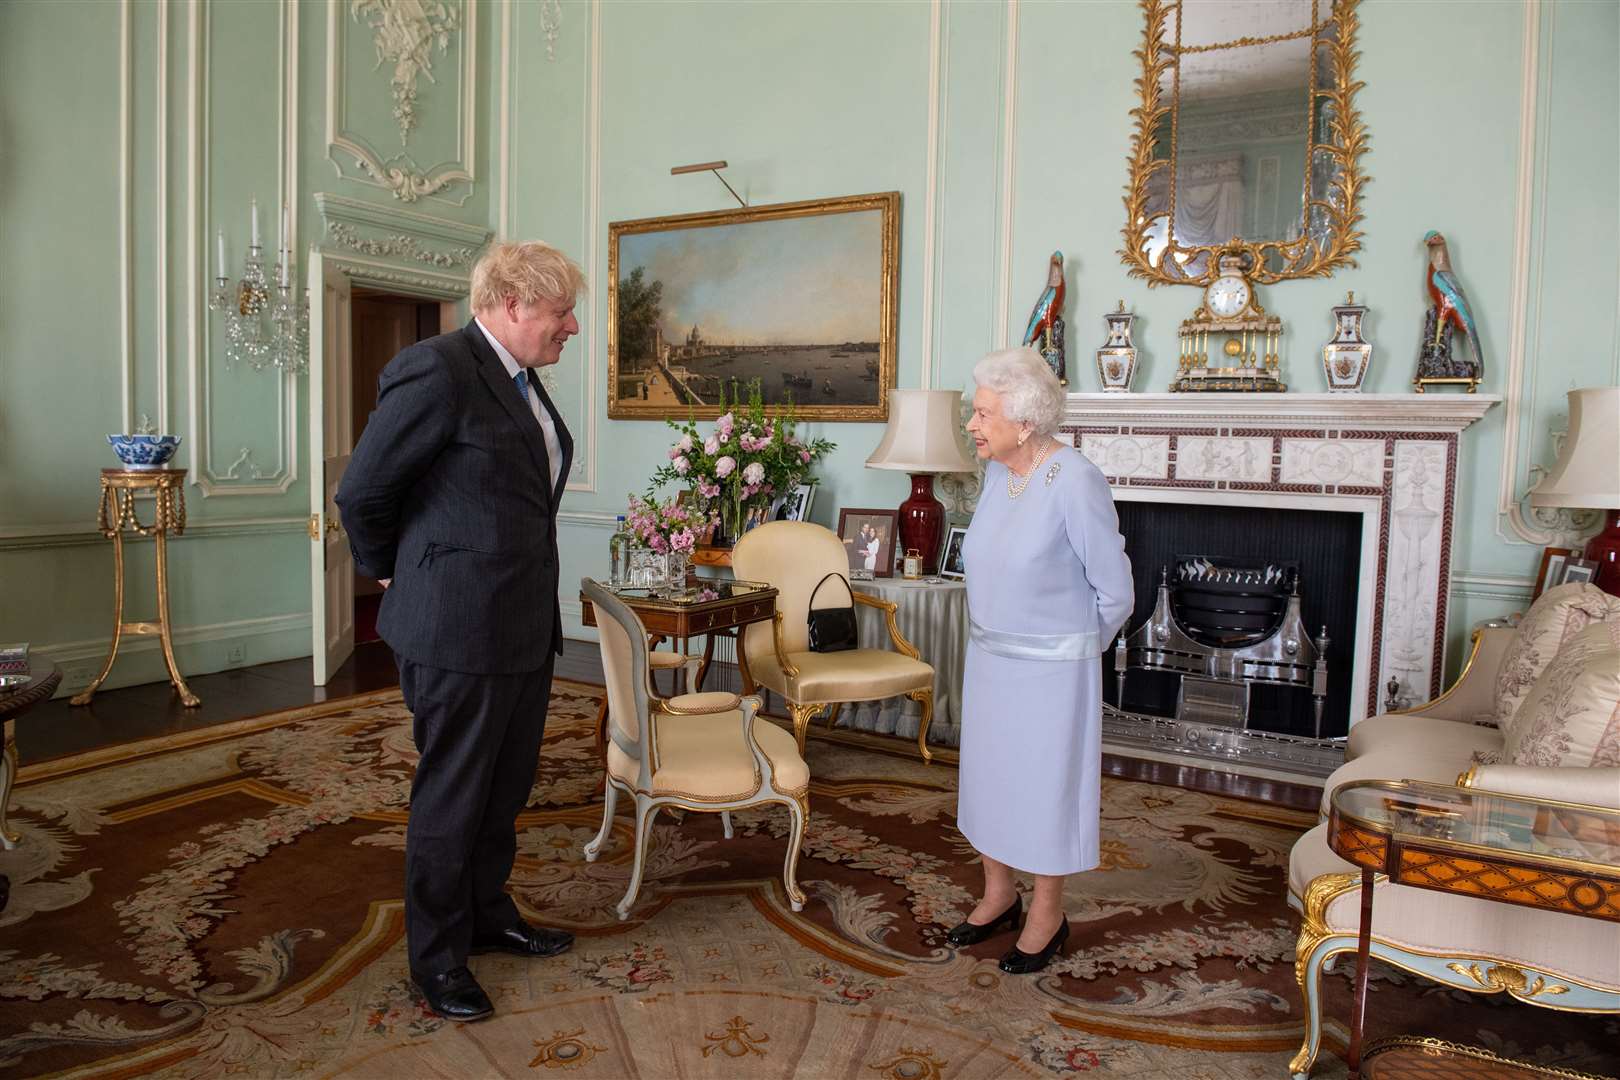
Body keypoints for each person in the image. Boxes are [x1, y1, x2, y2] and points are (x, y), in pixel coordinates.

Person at [335, 241, 582, 1022]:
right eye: (560, 311)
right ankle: (435, 960)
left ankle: (487, 915)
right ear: (511, 303)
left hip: (517, 625)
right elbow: (363, 490)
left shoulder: (520, 379)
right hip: (456, 629)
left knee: (503, 791)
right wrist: (389, 570)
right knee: (452, 796)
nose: (571, 326)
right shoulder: (439, 369)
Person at [950, 345, 1133, 974]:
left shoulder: (1075, 480)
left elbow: (1115, 590)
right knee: (989, 781)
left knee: (1046, 789)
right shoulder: (999, 473)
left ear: (1024, 422)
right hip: (991, 660)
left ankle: (1047, 914)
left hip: (1054, 672)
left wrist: (1074, 650)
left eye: (982, 413)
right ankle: (999, 894)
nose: (972, 424)